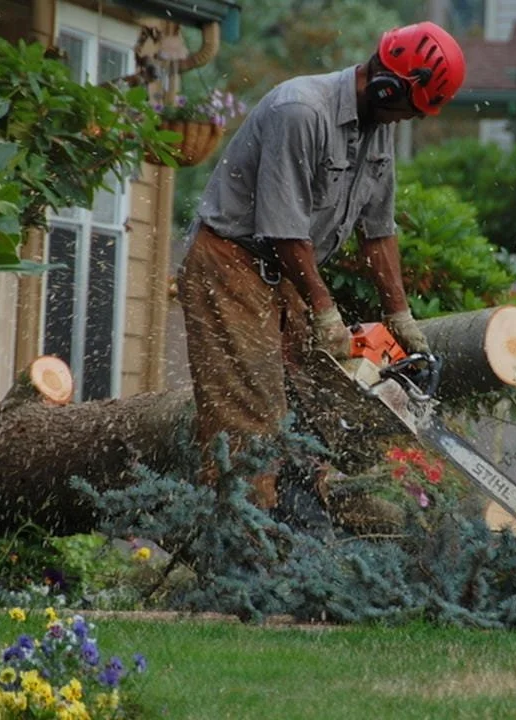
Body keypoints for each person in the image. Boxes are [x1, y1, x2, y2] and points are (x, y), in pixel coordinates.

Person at [177, 22, 467, 538]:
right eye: (410, 108)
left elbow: (378, 230)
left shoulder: (378, 131)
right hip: (230, 264)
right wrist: (324, 308)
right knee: (250, 414)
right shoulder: (300, 111)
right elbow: (284, 226)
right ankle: (237, 554)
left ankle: (302, 537)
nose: (408, 120)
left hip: (284, 272)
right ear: (387, 87)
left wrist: (400, 316)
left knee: (319, 401)